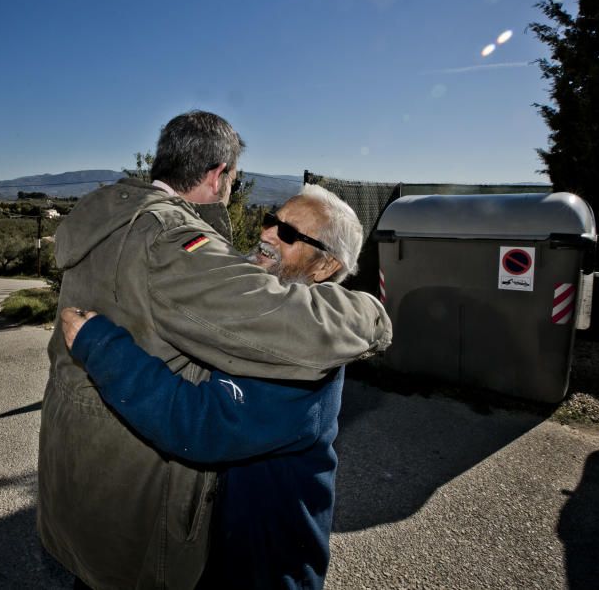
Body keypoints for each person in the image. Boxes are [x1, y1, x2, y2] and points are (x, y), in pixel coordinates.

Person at [37, 111, 391, 590]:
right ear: (219, 175)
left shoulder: (300, 350)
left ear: (327, 265)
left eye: (288, 234)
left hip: (264, 567)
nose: (266, 234)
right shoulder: (186, 256)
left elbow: (201, 423)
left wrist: (369, 312)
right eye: (272, 220)